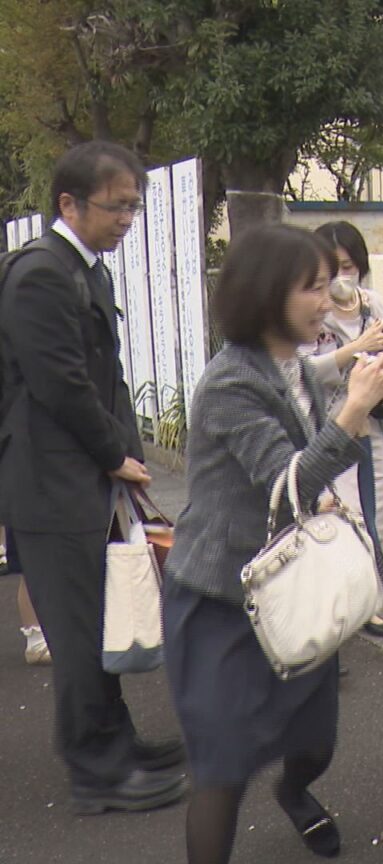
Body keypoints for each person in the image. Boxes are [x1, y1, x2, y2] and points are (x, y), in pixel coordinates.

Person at [161, 224, 383, 864]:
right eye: (313, 288)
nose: (329, 299)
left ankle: (295, 793)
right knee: (223, 768)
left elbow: (316, 380)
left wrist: (372, 389)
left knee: (315, 740)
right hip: (219, 603)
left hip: (290, 586)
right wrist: (352, 413)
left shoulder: (287, 361)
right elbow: (287, 483)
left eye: (328, 283)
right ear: (268, 295)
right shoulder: (230, 382)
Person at [0, 141, 186, 814]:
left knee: (99, 620)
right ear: (69, 204)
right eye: (118, 207)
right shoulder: (41, 274)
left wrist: (123, 458)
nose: (127, 220)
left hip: (79, 475)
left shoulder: (83, 268)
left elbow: (104, 379)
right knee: (77, 634)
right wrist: (114, 454)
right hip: (49, 483)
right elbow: (61, 385)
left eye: (134, 207)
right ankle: (96, 772)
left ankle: (119, 742)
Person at [305, 221, 383, 639]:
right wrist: (355, 349)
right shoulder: (312, 309)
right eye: (332, 267)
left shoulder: (373, 304)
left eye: (349, 265)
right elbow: (304, 373)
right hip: (328, 431)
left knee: (374, 515)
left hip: (369, 426)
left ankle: (368, 605)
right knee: (338, 518)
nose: (341, 276)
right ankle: (335, 610)